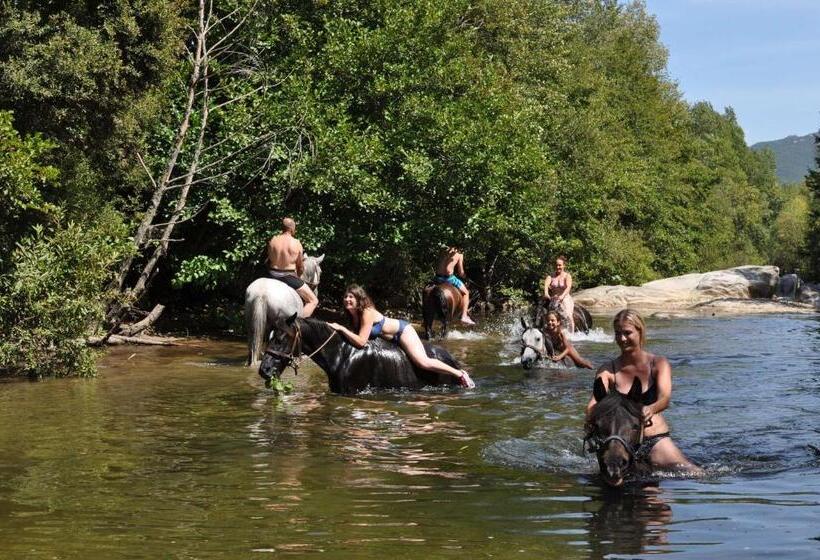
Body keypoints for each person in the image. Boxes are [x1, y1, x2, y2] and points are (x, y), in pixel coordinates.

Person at [585, 309, 703, 474]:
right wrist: (592, 416)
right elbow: (594, 403)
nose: (622, 338)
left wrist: (650, 409)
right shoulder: (608, 370)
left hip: (653, 439)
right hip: (620, 440)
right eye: (617, 333)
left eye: (627, 333)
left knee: (692, 473)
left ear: (640, 332)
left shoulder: (658, 363)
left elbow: (665, 398)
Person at [328, 284, 475, 388]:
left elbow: (360, 342)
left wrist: (341, 329)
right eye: (346, 297)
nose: (347, 300)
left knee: (422, 362)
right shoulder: (353, 315)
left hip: (402, 331)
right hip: (390, 340)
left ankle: (459, 374)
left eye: (351, 297)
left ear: (359, 299)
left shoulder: (366, 312)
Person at [266, 217, 318, 317]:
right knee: (313, 300)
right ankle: (296, 324)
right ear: (291, 229)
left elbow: (268, 260)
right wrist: (299, 275)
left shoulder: (272, 240)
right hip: (288, 277)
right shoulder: (296, 243)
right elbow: (301, 267)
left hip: (271, 275)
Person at [434, 245, 475, 326]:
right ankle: (464, 316)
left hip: (437, 278)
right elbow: (460, 272)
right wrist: (465, 276)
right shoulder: (459, 254)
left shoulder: (443, 250)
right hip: (448, 278)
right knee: (466, 292)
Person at [543, 255, 575, 332]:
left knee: (569, 316)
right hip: (554, 299)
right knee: (546, 316)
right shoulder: (550, 276)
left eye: (560, 265)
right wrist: (546, 293)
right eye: (556, 265)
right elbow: (546, 285)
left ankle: (572, 335)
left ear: (564, 265)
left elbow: (568, 287)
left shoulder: (567, 276)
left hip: (565, 299)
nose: (558, 267)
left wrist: (562, 296)